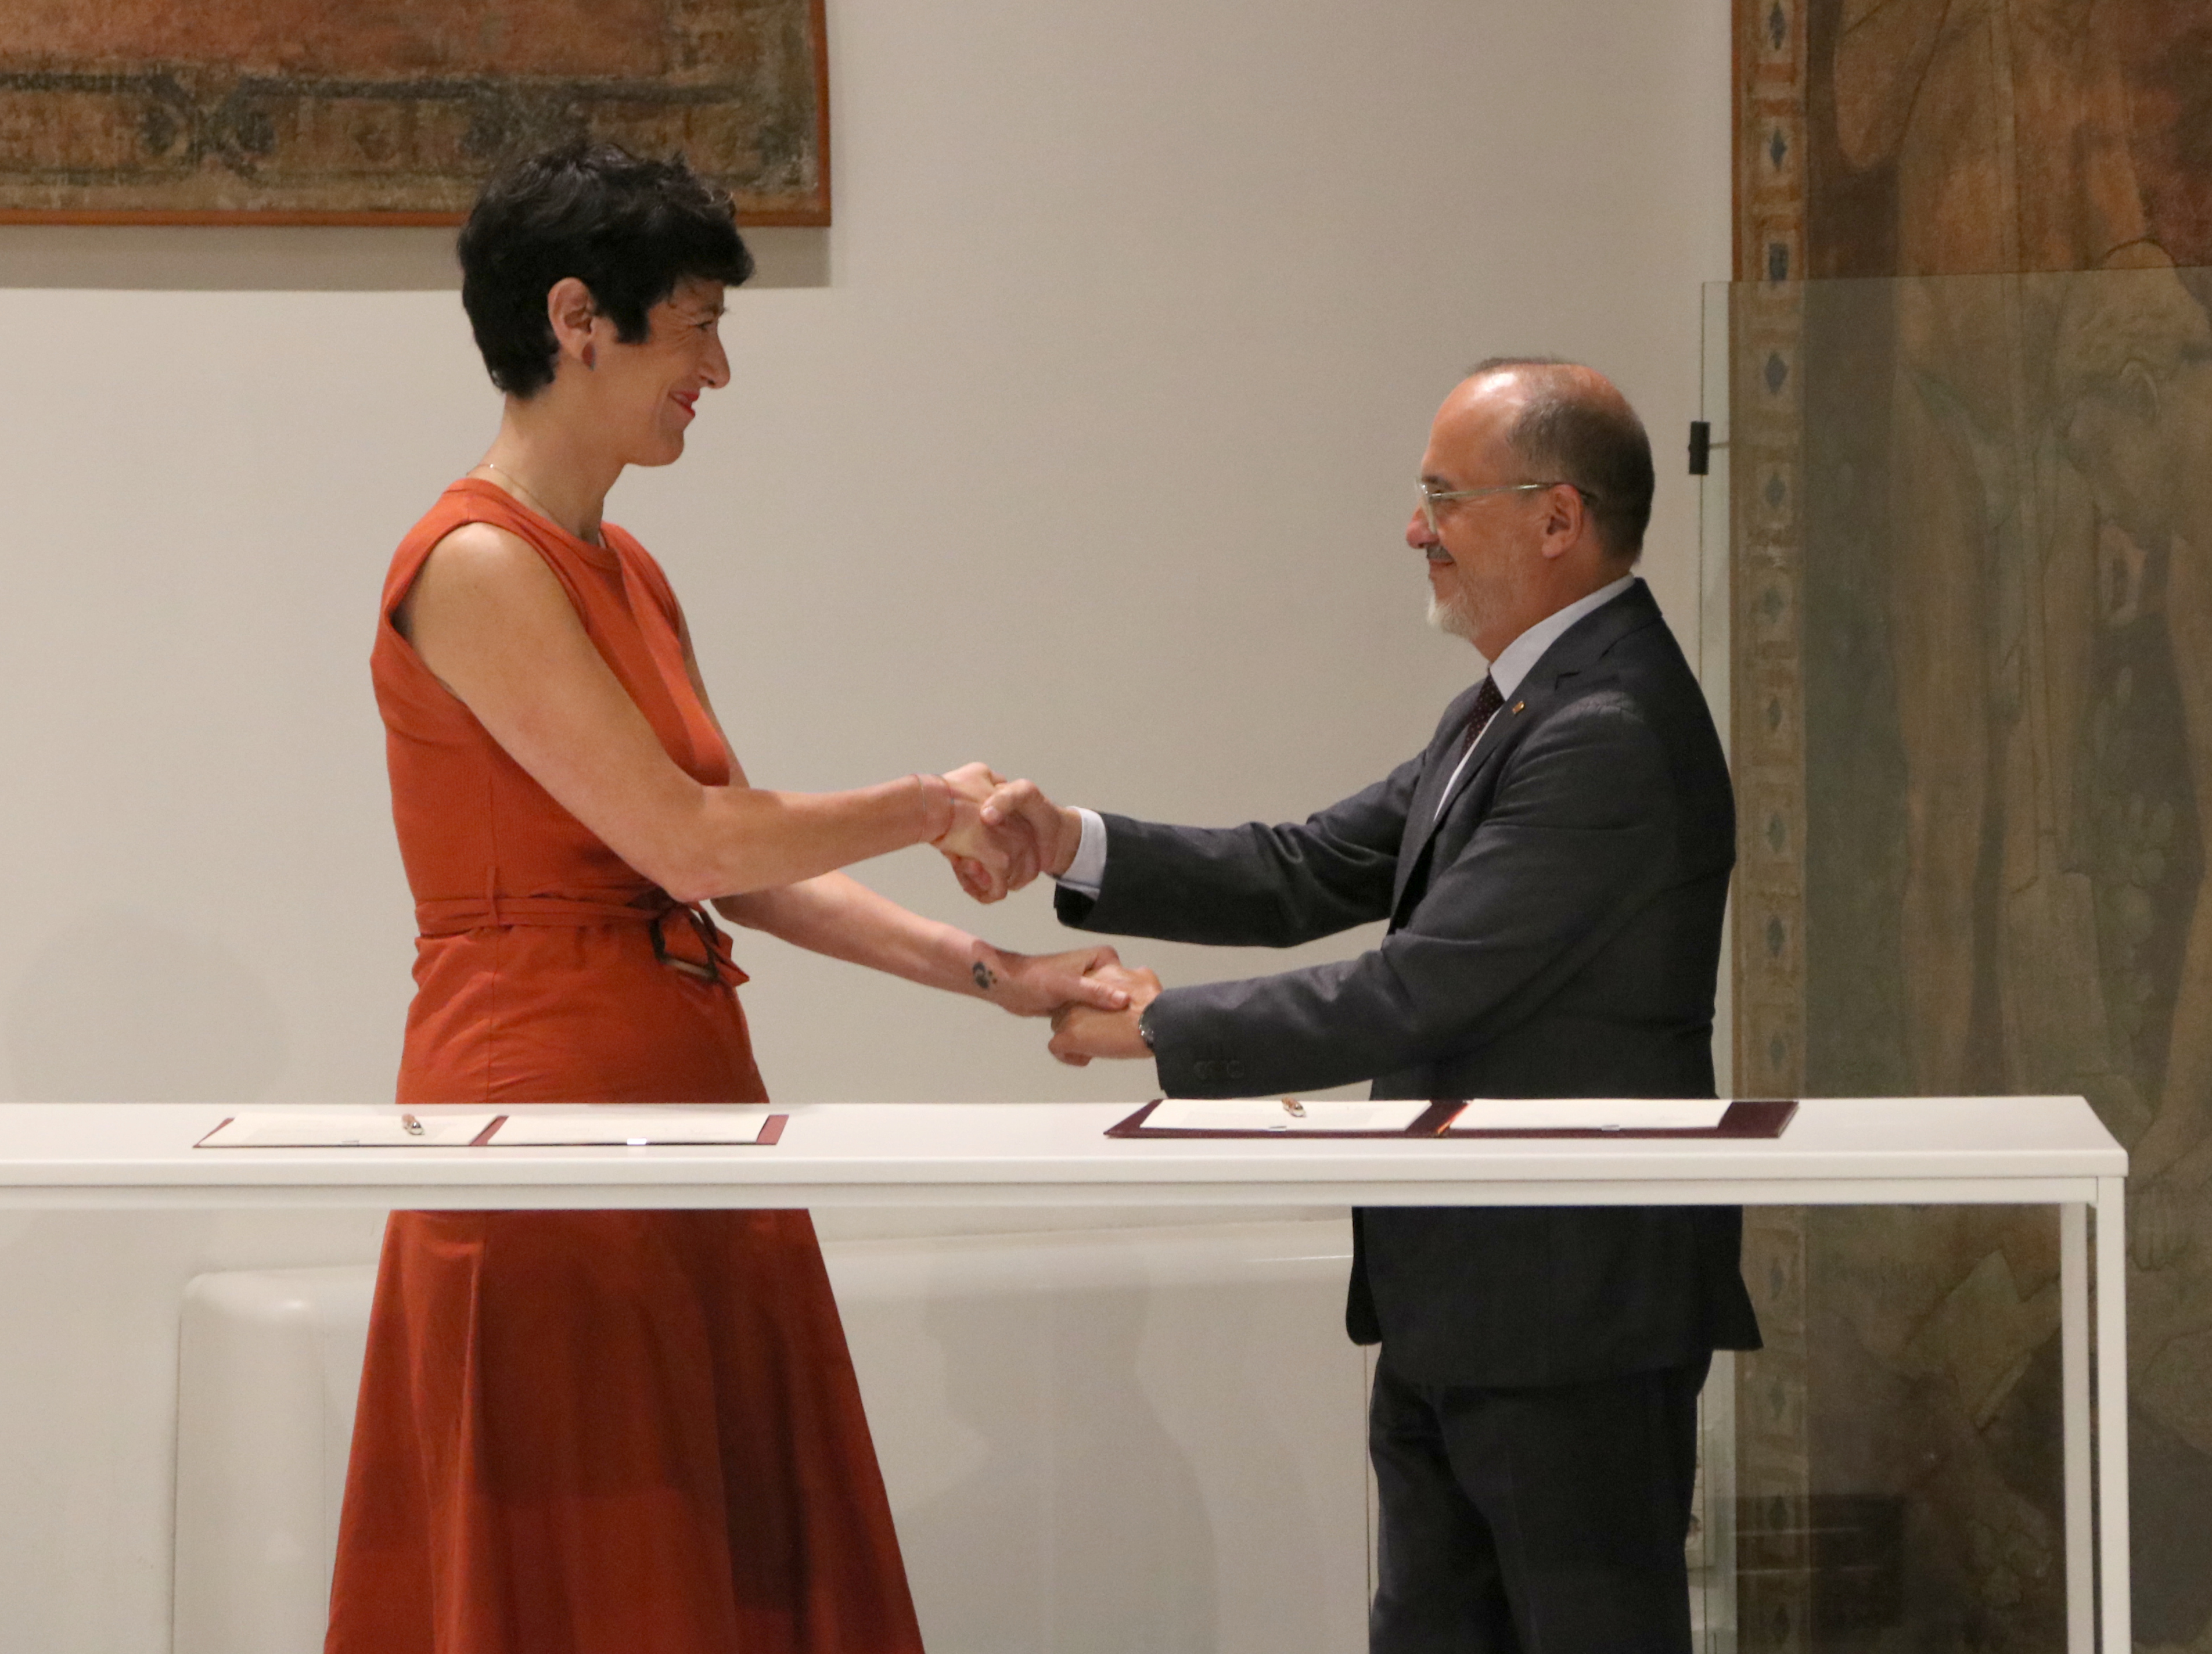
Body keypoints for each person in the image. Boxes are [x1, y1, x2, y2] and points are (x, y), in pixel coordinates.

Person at [325, 141, 1120, 1654]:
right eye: (695, 326)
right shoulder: (473, 563)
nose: (719, 371)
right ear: (578, 319)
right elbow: (691, 843)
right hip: (545, 1098)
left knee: (706, 1543)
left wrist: (992, 973)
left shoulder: (622, 566)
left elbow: (738, 874)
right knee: (604, 1547)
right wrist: (926, 804)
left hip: (679, 1080)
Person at [970, 359, 1762, 1652]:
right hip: (1462, 1293)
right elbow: (1306, 865)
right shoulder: (1516, 702)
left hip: (1571, 1319)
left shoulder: (1606, 723)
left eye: (1444, 497)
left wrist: (1159, 1029)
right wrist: (1071, 842)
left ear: (1557, 518)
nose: (1415, 529)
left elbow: (1420, 983)